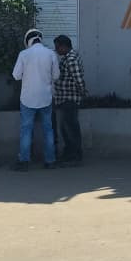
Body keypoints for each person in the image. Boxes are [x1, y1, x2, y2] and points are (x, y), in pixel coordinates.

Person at [11, 29, 58, 172]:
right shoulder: (51, 53)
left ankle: (24, 161)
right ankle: (50, 160)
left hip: (27, 98)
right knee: (48, 129)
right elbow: (56, 75)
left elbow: (16, 76)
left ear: (28, 40)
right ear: (40, 39)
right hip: (46, 97)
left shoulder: (24, 54)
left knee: (26, 130)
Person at [52, 35, 87, 166]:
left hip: (69, 98)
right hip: (66, 98)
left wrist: (82, 94)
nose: (56, 50)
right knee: (67, 127)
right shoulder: (69, 57)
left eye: (57, 47)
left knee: (70, 128)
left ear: (64, 46)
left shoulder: (71, 59)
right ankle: (70, 153)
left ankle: (74, 155)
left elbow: (78, 79)